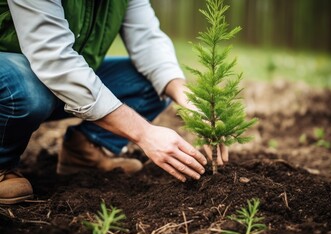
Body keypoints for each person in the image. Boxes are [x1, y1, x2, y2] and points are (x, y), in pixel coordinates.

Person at [0, 0, 228, 205]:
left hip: (60, 76)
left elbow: (148, 41)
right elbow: (53, 59)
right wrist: (144, 133)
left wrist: (188, 101)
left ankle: (83, 152)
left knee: (150, 84)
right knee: (21, 91)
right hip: (16, 76)